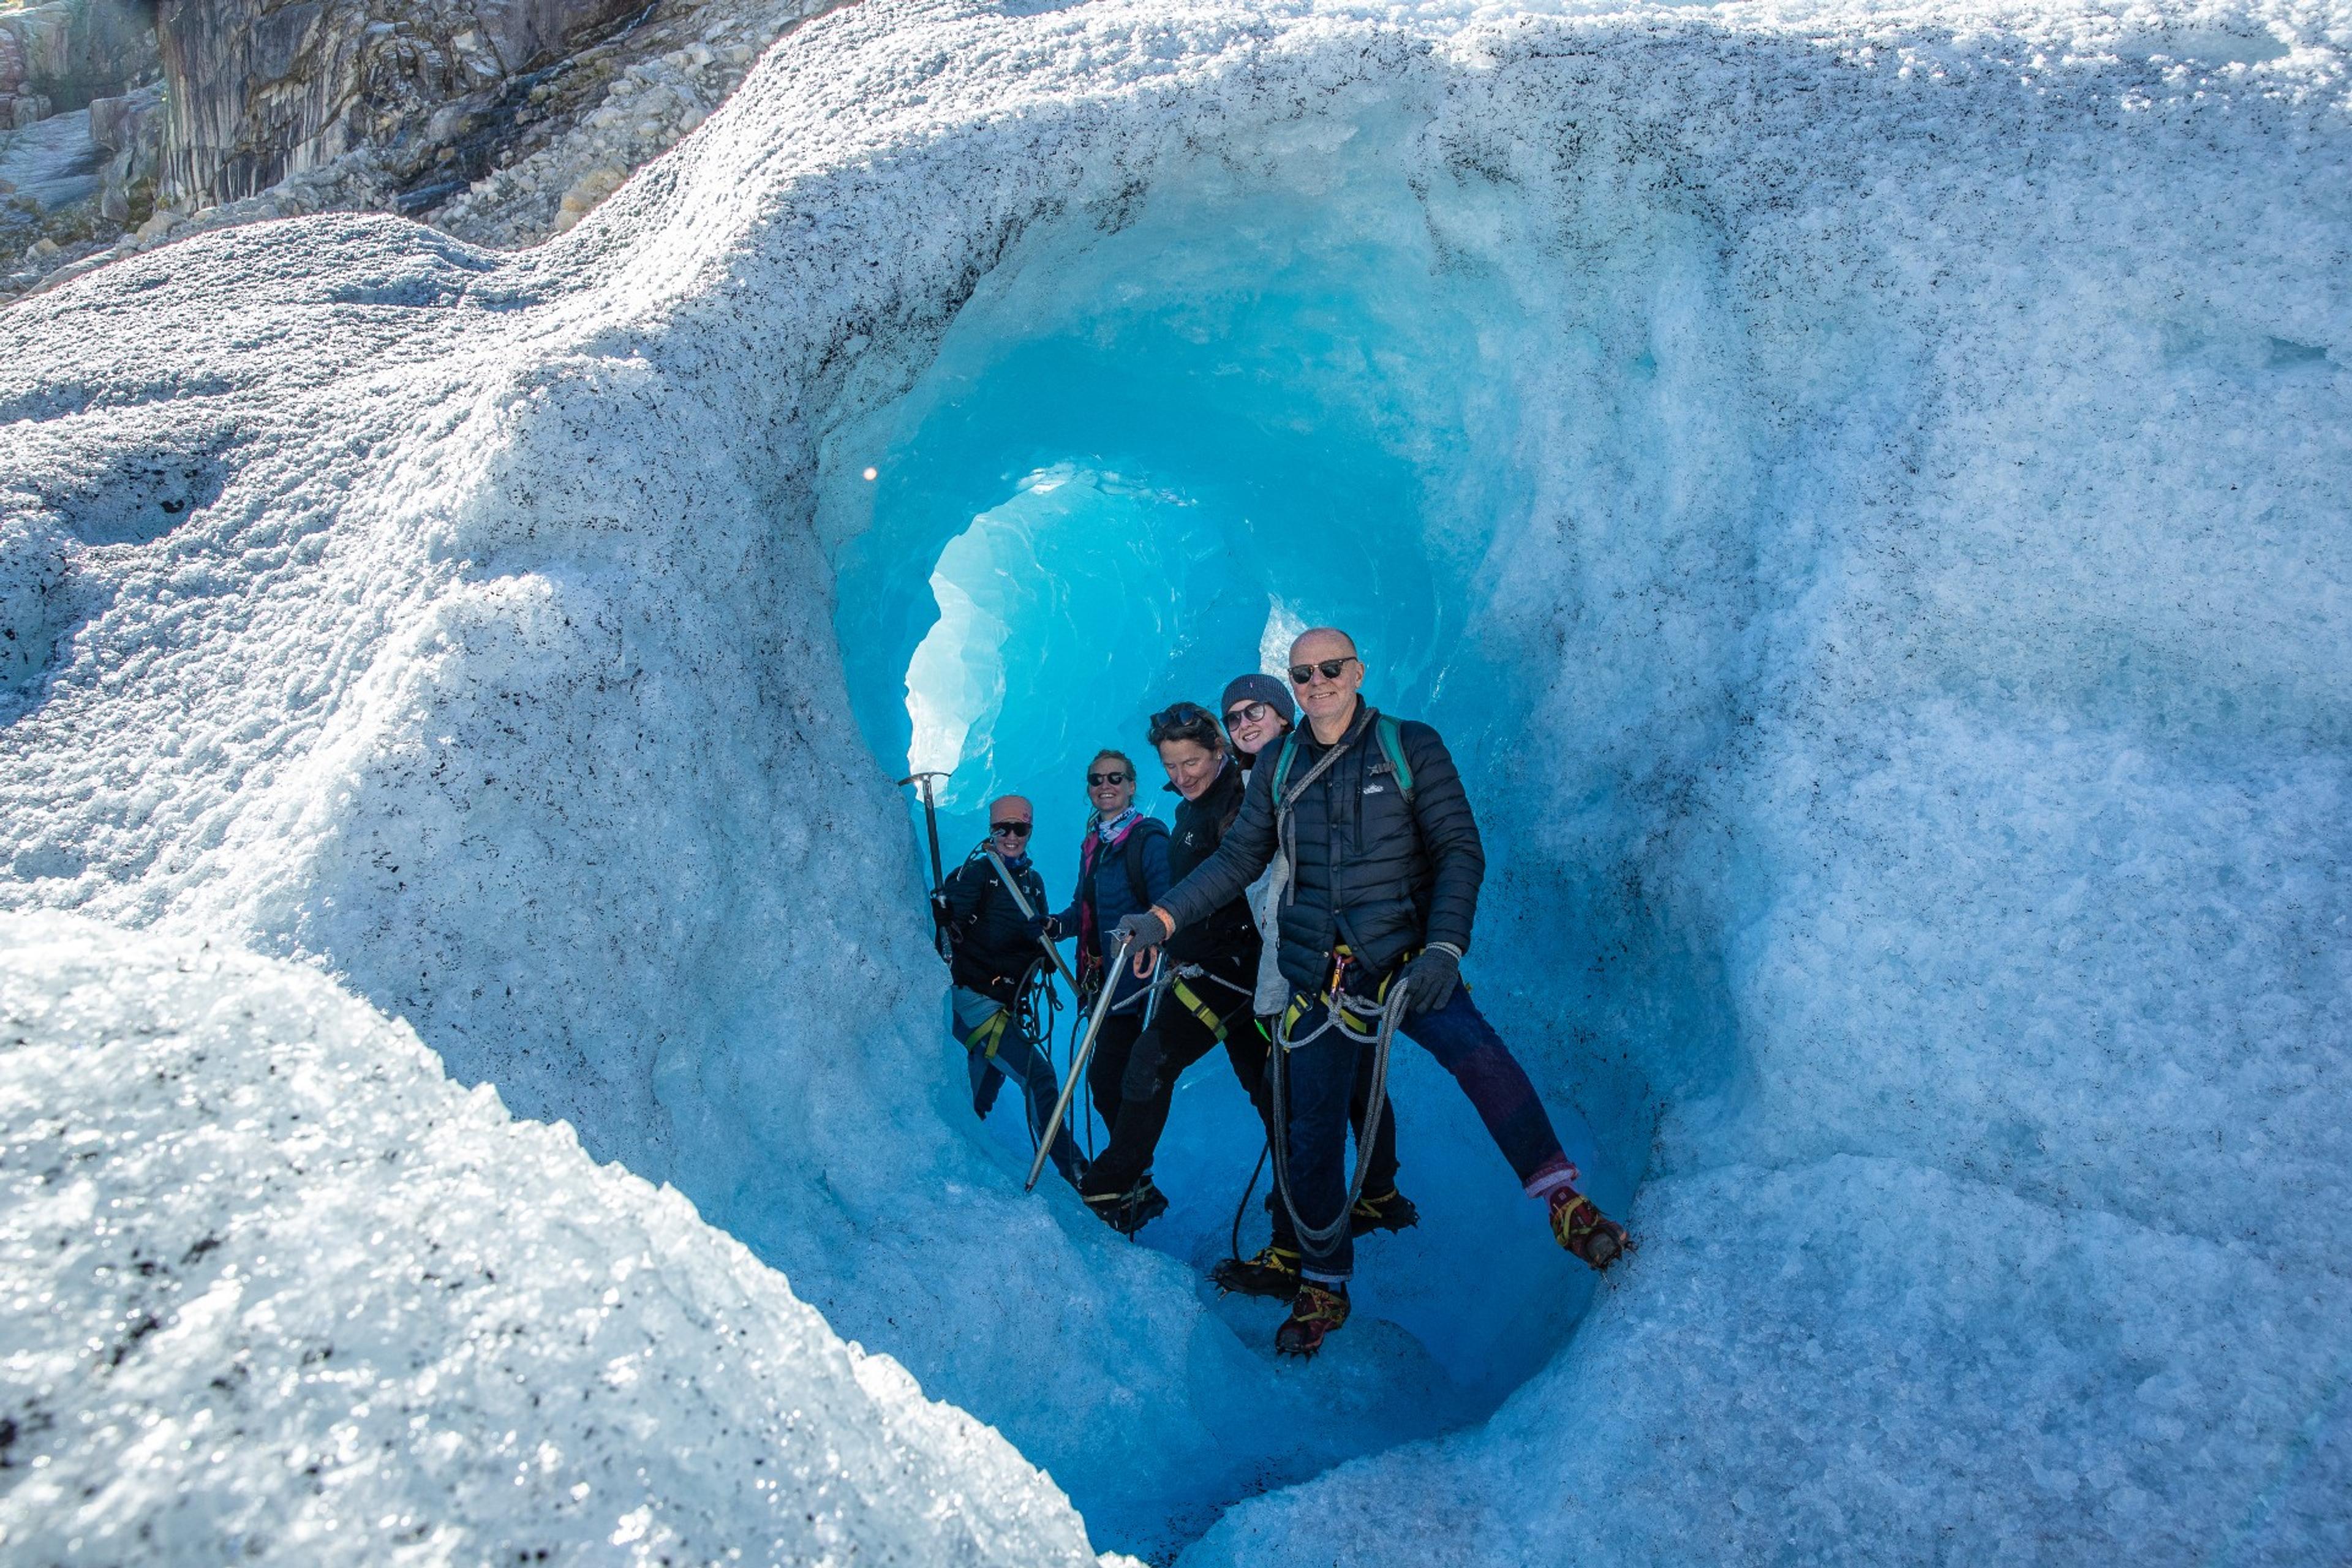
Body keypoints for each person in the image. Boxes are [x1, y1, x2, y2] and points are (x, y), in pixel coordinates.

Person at [1117, 628, 1632, 1357]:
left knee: (1480, 1058)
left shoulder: (1409, 745)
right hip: (1318, 978)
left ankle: (1564, 1202)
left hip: (1407, 960)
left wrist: (1446, 948)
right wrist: (1162, 917)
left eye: (1330, 668)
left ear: (1357, 671)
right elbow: (1239, 860)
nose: (1317, 681)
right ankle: (1324, 1280)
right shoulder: (1279, 767)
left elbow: (1460, 848)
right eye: (1303, 673)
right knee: (1312, 1130)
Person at [1210, 675, 1417, 1297]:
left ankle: (1294, 1251)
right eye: (1234, 717)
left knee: (1300, 1112)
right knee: (1342, 1091)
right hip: (1300, 965)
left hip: (1315, 969)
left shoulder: (1316, 773)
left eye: (1257, 711)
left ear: (1286, 712)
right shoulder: (1253, 786)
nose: (1245, 723)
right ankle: (1376, 1197)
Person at [1033, 749, 1172, 1228]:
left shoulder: (1148, 839)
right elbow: (1084, 908)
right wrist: (1057, 924)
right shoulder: (1094, 841)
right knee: (1108, 1084)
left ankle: (1130, 1178)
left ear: (1133, 786)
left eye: (1116, 778)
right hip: (1102, 986)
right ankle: (1136, 1182)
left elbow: (1169, 906)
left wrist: (1148, 952)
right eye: (1096, 779)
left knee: (1112, 1082)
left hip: (1137, 989)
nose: (1105, 785)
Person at [940, 796, 1084, 1188]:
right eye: (1002, 828)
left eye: (1020, 829)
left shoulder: (1031, 884)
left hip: (1007, 1005)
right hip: (977, 1002)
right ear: (991, 830)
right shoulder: (980, 874)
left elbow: (1032, 938)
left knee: (977, 1098)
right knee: (1040, 1077)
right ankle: (1078, 1175)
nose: (1010, 836)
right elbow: (949, 922)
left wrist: (1044, 950)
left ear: (1030, 831)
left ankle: (957, 1171)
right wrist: (943, 910)